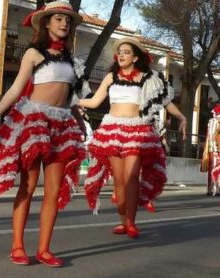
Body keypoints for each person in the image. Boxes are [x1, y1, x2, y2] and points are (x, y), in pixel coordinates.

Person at [0, 1, 89, 267]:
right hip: (35, 122)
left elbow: (69, 97)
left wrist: (78, 121)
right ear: (47, 23)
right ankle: (17, 246)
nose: (63, 23)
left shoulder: (73, 62)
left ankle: (45, 249)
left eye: (67, 20)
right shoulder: (34, 54)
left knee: (53, 190)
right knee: (27, 184)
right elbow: (16, 90)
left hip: (62, 126)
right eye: (58, 19)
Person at [79, 36, 187, 237]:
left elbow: (164, 100)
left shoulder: (148, 77)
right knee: (119, 180)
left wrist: (181, 117)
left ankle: (131, 222)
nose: (121, 55)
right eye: (119, 52)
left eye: (126, 52)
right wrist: (71, 101)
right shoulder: (110, 77)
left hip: (137, 130)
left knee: (131, 178)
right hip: (112, 130)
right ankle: (123, 220)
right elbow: (94, 102)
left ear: (136, 57)